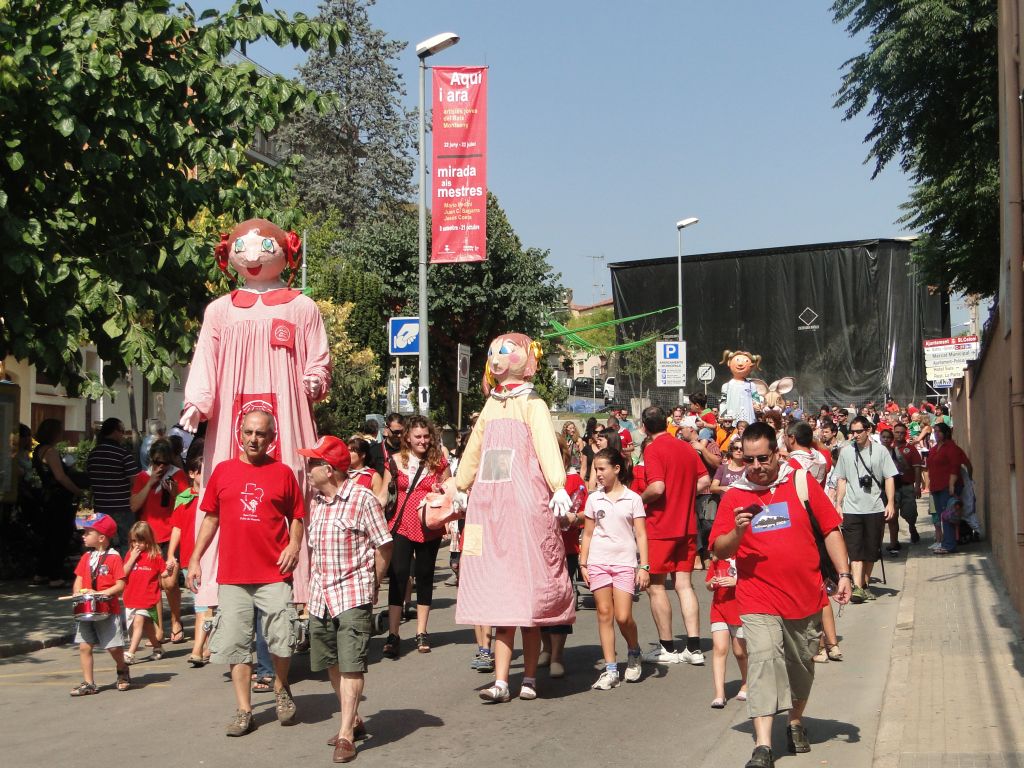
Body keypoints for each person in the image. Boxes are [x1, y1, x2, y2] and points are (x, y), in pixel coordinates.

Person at [179, 219, 331, 608]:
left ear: (286, 251)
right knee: (228, 490)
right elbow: (205, 362)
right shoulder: (219, 311)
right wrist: (198, 402)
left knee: (292, 485)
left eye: (264, 246)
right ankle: (221, 584)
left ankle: (298, 586)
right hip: (232, 408)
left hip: (289, 405)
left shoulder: (302, 307)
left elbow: (319, 358)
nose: (251, 254)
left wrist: (314, 379)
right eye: (242, 247)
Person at [711, 422, 853, 767]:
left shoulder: (799, 481)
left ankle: (794, 721)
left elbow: (831, 529)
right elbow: (718, 547)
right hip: (757, 596)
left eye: (763, 459)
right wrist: (738, 531)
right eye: (749, 460)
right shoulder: (736, 495)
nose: (757, 467)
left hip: (805, 596)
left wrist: (845, 573)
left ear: (776, 453)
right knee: (762, 660)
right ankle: (762, 746)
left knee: (801, 665)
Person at [446, 333, 575, 704]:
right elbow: (474, 448)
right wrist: (461, 483)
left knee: (528, 606)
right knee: (502, 604)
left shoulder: (532, 404)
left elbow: (547, 447)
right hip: (490, 505)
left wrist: (557, 484)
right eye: (493, 353)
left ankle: (530, 677)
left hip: (524, 504)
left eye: (505, 351)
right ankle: (502, 681)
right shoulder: (492, 405)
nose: (497, 358)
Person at [186, 410, 305, 737]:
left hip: (274, 573)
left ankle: (281, 689)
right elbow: (210, 519)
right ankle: (244, 710)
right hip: (234, 576)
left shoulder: (282, 473)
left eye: (261, 434)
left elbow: (297, 516)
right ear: (240, 433)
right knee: (235, 644)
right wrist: (195, 559)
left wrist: (294, 546)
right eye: (249, 432)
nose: (254, 439)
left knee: (282, 638)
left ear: (271, 438)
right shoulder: (223, 472)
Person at [299, 435, 393, 763]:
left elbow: (384, 545)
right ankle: (351, 719)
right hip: (321, 595)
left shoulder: (363, 499)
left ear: (328, 469)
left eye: (312, 463)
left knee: (352, 663)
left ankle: (345, 735)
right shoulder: (316, 502)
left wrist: (374, 584)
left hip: (353, 593)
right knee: (332, 663)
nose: (307, 468)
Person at [638, 405, 710, 665]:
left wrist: (638, 500)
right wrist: (684, 492)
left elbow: (657, 487)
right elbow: (704, 481)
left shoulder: (653, 449)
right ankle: (694, 647)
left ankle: (667, 648)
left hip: (660, 526)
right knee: (684, 585)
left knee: (656, 587)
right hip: (687, 525)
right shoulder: (686, 448)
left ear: (645, 427)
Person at [378, 415, 450, 657]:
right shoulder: (395, 461)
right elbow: (382, 494)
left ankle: (421, 631)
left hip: (428, 525)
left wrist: (442, 494)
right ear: (407, 437)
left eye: (426, 436)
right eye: (417, 436)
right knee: (398, 576)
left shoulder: (438, 461)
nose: (422, 441)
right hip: (400, 524)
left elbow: (450, 490)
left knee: (425, 576)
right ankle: (393, 633)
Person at [579, 447, 649, 690]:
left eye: (602, 469)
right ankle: (610, 669)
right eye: (595, 469)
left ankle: (633, 650)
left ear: (616, 469)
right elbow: (587, 534)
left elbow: (641, 534)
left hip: (624, 563)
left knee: (623, 616)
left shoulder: (634, 499)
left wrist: (644, 566)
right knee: (604, 613)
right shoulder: (593, 498)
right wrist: (583, 563)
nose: (597, 474)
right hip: (598, 561)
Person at [834, 416, 898, 603]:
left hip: (875, 507)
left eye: (858, 431)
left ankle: (864, 585)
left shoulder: (881, 451)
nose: (855, 435)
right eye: (852, 432)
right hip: (852, 509)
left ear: (868, 430)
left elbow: (889, 477)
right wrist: (839, 503)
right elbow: (841, 479)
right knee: (854, 550)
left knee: (871, 550)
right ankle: (858, 587)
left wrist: (891, 502)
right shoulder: (845, 452)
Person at [130, 439, 188, 642]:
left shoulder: (178, 476)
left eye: (164, 463)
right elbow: (134, 506)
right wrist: (150, 483)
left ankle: (175, 620)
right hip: (149, 538)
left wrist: (175, 494)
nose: (160, 467)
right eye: (157, 462)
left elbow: (187, 507)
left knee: (170, 583)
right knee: (153, 585)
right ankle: (158, 629)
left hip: (171, 536)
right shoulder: (142, 477)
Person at [68, 513, 130, 696]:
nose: (83, 535)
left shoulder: (114, 557)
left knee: (113, 647)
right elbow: (79, 579)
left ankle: (122, 668)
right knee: (84, 646)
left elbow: (120, 584)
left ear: (101, 538)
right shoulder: (86, 557)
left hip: (107, 609)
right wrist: (78, 592)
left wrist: (102, 593)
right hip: (86, 609)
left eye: (88, 532)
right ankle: (89, 683)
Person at [167, 454, 212, 667]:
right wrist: (170, 554)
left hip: (210, 557)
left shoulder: (212, 496)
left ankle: (200, 648)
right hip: (188, 559)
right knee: (201, 603)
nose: (205, 476)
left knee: (203, 603)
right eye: (201, 471)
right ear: (192, 474)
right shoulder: (184, 498)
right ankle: (204, 646)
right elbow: (176, 528)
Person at [33, 419, 86, 587]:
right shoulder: (51, 451)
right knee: (60, 535)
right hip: (59, 498)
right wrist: (77, 491)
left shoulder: (38, 450)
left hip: (48, 497)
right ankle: (55, 576)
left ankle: (41, 573)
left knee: (49, 536)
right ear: (53, 432)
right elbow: (60, 476)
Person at [87, 417, 138, 554]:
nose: (123, 434)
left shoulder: (93, 454)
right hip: (122, 507)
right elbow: (135, 481)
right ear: (115, 432)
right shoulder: (123, 453)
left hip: (101, 506)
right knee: (126, 542)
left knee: (102, 543)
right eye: (122, 431)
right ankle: (124, 571)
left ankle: (104, 571)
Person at [706, 552, 747, 709]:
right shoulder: (717, 559)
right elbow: (708, 585)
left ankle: (746, 682)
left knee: (740, 652)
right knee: (719, 649)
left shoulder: (743, 557)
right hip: (719, 609)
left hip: (739, 610)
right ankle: (719, 694)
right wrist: (711, 583)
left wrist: (735, 581)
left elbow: (754, 582)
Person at [122, 521, 166, 665]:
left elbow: (164, 573)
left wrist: (170, 568)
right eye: (134, 541)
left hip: (147, 597)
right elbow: (123, 573)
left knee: (139, 621)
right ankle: (158, 647)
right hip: (132, 596)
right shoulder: (130, 554)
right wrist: (133, 558)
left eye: (140, 541)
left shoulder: (155, 556)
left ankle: (130, 653)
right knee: (147, 626)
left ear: (148, 540)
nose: (136, 545)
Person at [926, 422, 973, 554]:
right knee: (944, 515)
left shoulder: (952, 448)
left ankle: (949, 545)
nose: (936, 434)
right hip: (936, 487)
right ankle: (947, 542)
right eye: (934, 431)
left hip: (948, 487)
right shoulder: (935, 448)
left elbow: (958, 466)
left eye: (939, 431)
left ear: (946, 433)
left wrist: (959, 483)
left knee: (948, 516)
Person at [884, 426, 923, 549]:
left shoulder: (910, 449)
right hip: (892, 488)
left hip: (907, 486)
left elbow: (917, 468)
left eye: (902, 433)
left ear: (905, 434)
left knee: (910, 513)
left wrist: (917, 486)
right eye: (897, 432)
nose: (899, 435)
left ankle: (912, 526)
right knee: (893, 516)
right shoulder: (886, 450)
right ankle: (893, 542)